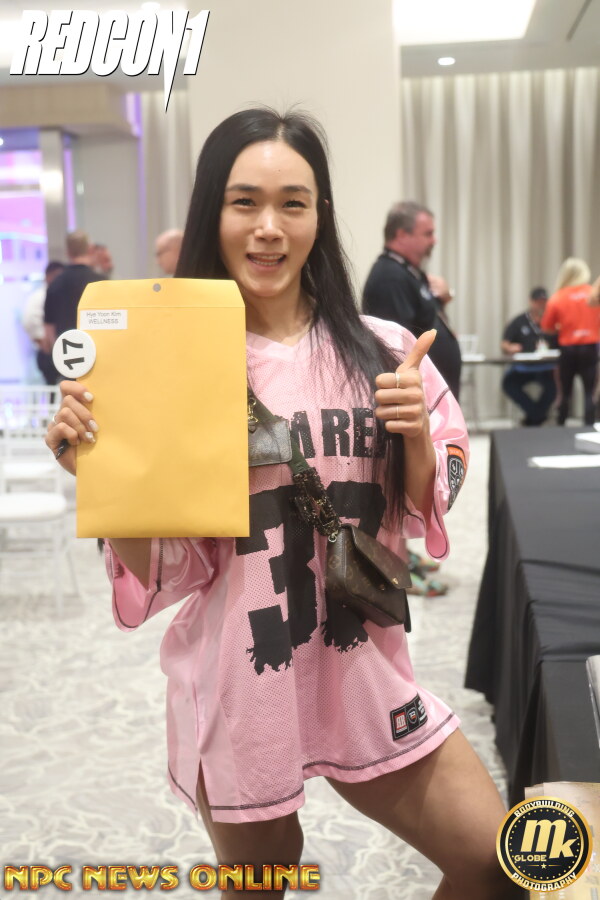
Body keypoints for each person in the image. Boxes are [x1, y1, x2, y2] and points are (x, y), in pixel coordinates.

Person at [47, 108, 515, 900]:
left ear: (318, 216)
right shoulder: (171, 369)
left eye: (292, 203)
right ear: (213, 213)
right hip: (244, 674)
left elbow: (429, 509)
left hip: (364, 661)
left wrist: (415, 438)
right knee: (262, 884)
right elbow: (174, 566)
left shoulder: (386, 350)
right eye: (245, 203)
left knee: (499, 860)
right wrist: (104, 477)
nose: (269, 227)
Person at [362, 201, 462, 400]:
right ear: (401, 235)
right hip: (419, 398)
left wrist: (446, 296)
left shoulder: (408, 272)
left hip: (432, 395)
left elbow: (425, 318)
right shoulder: (390, 278)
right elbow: (397, 348)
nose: (434, 240)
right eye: (428, 234)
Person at [541, 257, 600, 426]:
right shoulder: (593, 295)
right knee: (589, 392)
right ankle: (589, 427)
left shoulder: (558, 297)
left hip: (568, 349)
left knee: (564, 392)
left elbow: (547, 328)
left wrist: (562, 328)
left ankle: (561, 425)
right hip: (590, 348)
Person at [43, 231, 106, 359]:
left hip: (66, 356)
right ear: (90, 249)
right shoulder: (101, 283)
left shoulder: (55, 283)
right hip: (96, 355)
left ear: (68, 252)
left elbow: (49, 327)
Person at [501, 287, 558, 426]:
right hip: (523, 367)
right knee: (508, 384)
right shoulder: (519, 321)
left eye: (544, 302)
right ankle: (537, 416)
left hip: (546, 367)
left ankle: (532, 419)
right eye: (538, 302)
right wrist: (510, 348)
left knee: (555, 387)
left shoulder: (552, 321)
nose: (541, 305)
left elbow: (560, 343)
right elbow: (504, 344)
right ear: (531, 302)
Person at [22, 260, 65, 384]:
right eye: (57, 276)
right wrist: (43, 341)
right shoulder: (40, 296)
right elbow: (28, 320)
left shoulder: (55, 294)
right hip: (48, 351)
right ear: (48, 276)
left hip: (58, 349)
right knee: (52, 387)